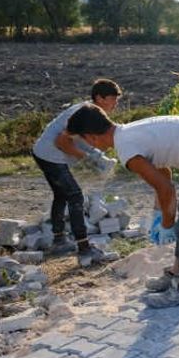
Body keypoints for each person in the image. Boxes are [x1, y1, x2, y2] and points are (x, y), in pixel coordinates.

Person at [66, 105, 179, 308]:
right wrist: (159, 213)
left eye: (83, 140)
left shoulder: (126, 148)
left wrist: (166, 224)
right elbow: (163, 173)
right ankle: (176, 272)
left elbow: (166, 189)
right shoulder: (127, 132)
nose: (88, 145)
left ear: (90, 137)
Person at [31, 79, 121, 267]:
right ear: (99, 98)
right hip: (50, 155)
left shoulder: (92, 113)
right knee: (75, 196)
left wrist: (96, 155)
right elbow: (62, 142)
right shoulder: (82, 112)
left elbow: (80, 140)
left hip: (43, 153)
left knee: (62, 194)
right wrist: (90, 159)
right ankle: (84, 248)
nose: (115, 104)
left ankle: (59, 239)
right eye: (113, 99)